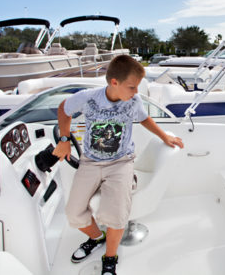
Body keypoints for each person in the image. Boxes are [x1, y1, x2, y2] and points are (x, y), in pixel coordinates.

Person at [53, 55, 184, 275]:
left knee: (115, 213)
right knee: (73, 213)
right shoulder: (87, 98)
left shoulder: (134, 101)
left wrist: (164, 136)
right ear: (114, 82)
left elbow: (143, 118)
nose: (135, 93)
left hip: (121, 163)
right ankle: (97, 238)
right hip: (90, 162)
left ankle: (110, 257)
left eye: (137, 88)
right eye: (131, 87)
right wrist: (64, 140)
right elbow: (63, 109)